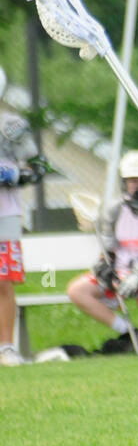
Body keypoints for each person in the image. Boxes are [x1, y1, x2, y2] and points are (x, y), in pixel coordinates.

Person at [66, 151, 138, 356]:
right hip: (122, 271)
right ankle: (129, 332)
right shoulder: (114, 210)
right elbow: (108, 253)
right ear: (124, 182)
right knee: (77, 290)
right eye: (133, 180)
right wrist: (106, 272)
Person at [0, 110, 52, 366]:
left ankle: (6, 348)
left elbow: (38, 167)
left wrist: (12, 175)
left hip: (4, 215)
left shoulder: (9, 126)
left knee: (3, 283)